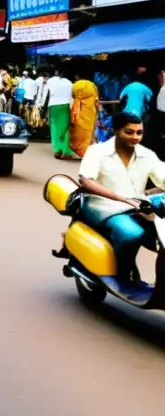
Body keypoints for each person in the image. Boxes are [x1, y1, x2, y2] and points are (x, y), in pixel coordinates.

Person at [70, 111, 165, 286]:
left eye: (139, 132)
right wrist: (120, 198)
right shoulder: (97, 151)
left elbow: (163, 176)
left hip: (137, 206)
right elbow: (85, 180)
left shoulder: (147, 155)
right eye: (129, 132)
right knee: (132, 234)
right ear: (116, 131)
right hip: (102, 206)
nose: (135, 137)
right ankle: (122, 275)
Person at [47, 69, 76, 158]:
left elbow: (48, 93)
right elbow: (73, 97)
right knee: (65, 128)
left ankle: (57, 149)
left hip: (53, 105)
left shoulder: (53, 82)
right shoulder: (71, 84)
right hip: (65, 105)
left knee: (54, 127)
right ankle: (66, 151)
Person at [70, 73, 101, 158]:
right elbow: (96, 99)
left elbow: (73, 95)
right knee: (88, 134)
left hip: (78, 111)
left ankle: (81, 150)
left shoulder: (76, 85)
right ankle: (86, 152)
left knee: (76, 132)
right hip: (90, 112)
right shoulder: (93, 86)